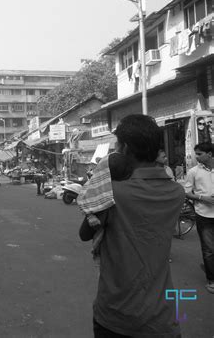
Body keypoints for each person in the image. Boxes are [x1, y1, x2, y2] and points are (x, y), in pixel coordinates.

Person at [79, 114, 185, 337]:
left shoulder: (113, 194)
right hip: (163, 317)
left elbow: (84, 233)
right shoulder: (177, 193)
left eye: (117, 145)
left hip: (116, 316)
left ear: (125, 148)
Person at [184, 142, 214, 294]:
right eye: (196, 154)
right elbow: (187, 192)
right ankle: (211, 279)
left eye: (200, 154)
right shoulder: (193, 172)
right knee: (209, 249)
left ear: (209, 154)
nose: (196, 157)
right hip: (204, 214)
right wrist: (203, 198)